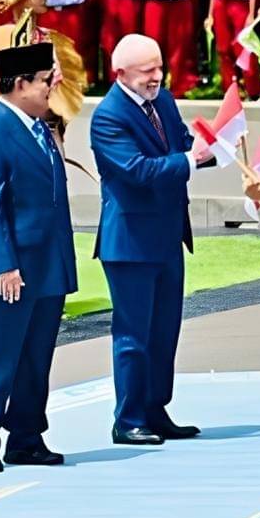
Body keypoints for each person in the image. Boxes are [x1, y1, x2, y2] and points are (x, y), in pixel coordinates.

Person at [0, 42, 77, 474]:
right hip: (2, 270)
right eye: (45, 80)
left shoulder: (40, 128)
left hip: (43, 265)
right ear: (20, 84)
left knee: (35, 355)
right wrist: (5, 264)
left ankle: (26, 434)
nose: (51, 87)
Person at [89, 34, 213, 446]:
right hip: (129, 243)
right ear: (120, 73)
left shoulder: (164, 101)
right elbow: (137, 170)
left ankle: (155, 407)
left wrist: (211, 148)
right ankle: (128, 418)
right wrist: (188, 161)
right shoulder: (108, 116)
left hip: (165, 236)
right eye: (147, 71)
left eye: (159, 67)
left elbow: (179, 142)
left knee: (164, 331)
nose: (156, 77)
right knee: (133, 334)